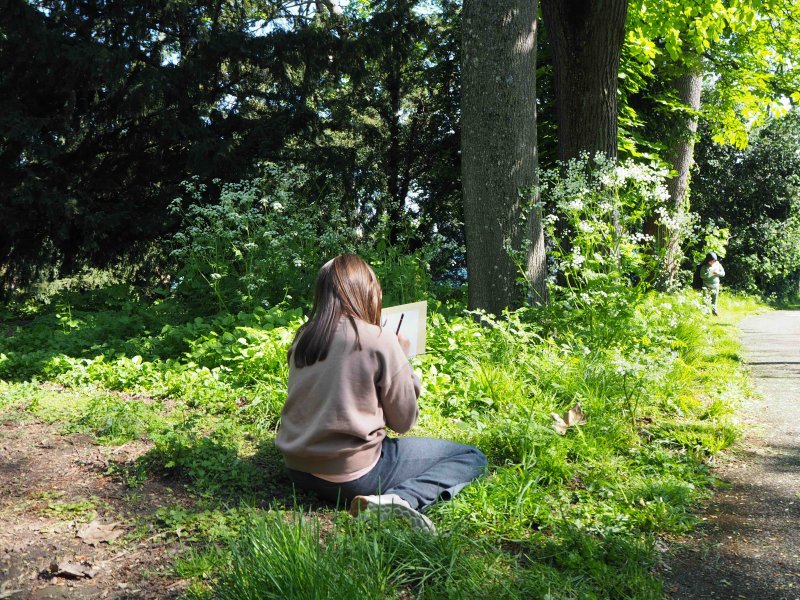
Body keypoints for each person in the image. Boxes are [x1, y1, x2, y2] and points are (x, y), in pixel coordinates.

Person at [275, 254, 487, 532]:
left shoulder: (304, 337)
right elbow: (403, 421)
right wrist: (402, 357)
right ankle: (401, 500)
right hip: (352, 476)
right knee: (471, 457)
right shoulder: (378, 338)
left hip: (298, 470)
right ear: (367, 293)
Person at [700, 251, 725, 316]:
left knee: (714, 300)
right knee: (705, 299)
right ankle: (705, 312)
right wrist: (710, 273)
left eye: (714, 261)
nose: (713, 262)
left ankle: (714, 312)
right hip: (706, 285)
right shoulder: (704, 266)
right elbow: (702, 276)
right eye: (711, 261)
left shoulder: (718, 264)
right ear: (708, 260)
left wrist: (717, 273)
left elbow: (723, 274)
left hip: (715, 285)